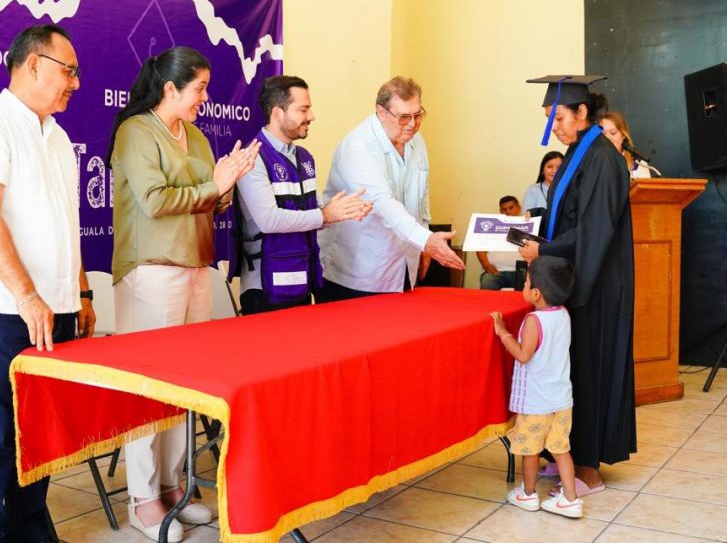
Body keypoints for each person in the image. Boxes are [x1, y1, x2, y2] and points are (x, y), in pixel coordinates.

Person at [0, 24, 96, 542]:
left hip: (53, 311)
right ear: (33, 64)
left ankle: (31, 532)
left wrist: (79, 292)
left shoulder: (58, 140)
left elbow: (65, 225)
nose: (75, 82)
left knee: (40, 436)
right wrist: (27, 294)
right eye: (68, 69)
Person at [107, 47, 260, 542]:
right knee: (147, 391)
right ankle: (142, 498)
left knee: (183, 389)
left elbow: (209, 198)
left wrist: (229, 181)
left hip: (195, 267)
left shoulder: (193, 134)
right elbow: (152, 203)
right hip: (150, 272)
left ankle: (173, 487)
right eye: (198, 89)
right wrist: (212, 186)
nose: (205, 98)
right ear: (170, 89)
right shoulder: (135, 131)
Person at [519, 74, 636, 496]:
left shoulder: (603, 158)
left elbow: (595, 231)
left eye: (560, 117)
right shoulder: (575, 153)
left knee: (591, 371)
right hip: (575, 274)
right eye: (550, 118)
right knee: (570, 372)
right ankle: (562, 453)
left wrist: (545, 249)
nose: (555, 127)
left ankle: (588, 469)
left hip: (598, 282)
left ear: (583, 113)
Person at [317, 76, 464, 301]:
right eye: (404, 117)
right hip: (358, 272)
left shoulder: (416, 141)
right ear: (381, 112)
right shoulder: (358, 146)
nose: (413, 124)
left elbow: (421, 197)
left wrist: (423, 244)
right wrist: (426, 240)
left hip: (403, 265)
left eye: (418, 115)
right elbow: (382, 203)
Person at [235, 75, 372, 315]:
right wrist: (325, 215)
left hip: (302, 280)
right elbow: (269, 220)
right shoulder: (252, 158)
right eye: (303, 109)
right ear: (277, 113)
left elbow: (313, 213)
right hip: (265, 290)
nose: (311, 116)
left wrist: (342, 211)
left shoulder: (304, 157)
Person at [491, 256, 583, 519]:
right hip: (562, 400)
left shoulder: (534, 320)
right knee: (561, 448)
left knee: (530, 449)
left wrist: (502, 332)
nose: (524, 284)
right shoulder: (563, 314)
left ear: (536, 293)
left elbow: (523, 354)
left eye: (527, 280)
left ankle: (528, 494)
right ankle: (570, 499)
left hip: (536, 403)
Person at [477, 196, 525, 290]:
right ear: (500, 211)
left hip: (520, 272)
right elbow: (480, 249)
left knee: (531, 288)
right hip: (495, 272)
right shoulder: (491, 226)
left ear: (519, 208)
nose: (507, 212)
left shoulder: (528, 225)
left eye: (511, 208)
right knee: (487, 284)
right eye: (504, 209)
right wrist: (486, 264)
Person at [600, 111, 658, 179]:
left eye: (613, 133)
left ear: (623, 135)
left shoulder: (638, 165)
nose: (607, 138)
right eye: (603, 134)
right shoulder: (592, 163)